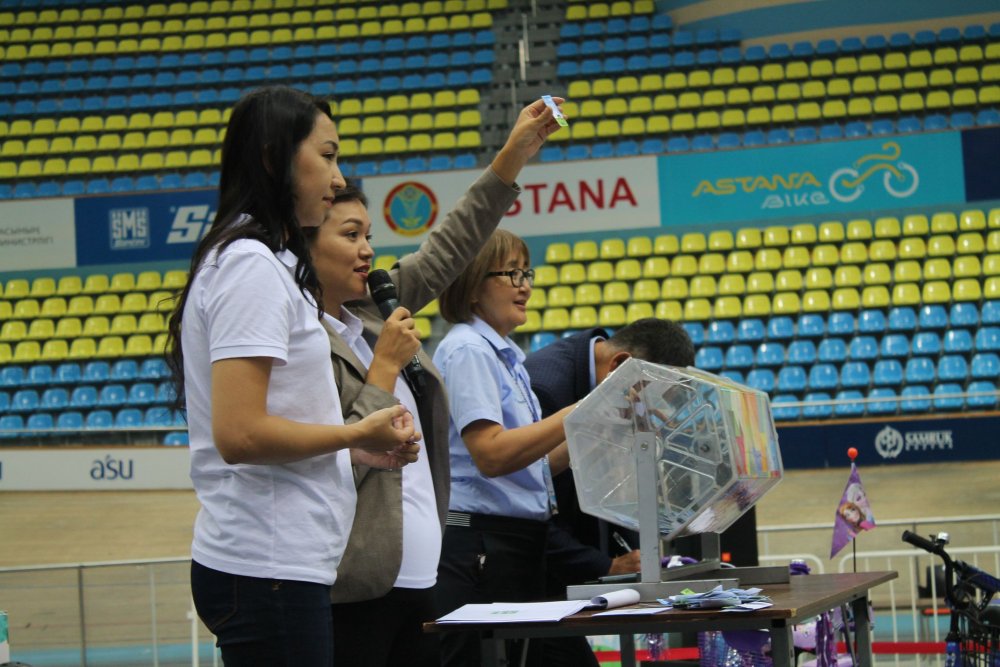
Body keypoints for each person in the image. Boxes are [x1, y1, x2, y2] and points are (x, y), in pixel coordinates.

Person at [301, 98, 563, 667]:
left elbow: (453, 244)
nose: (368, 252)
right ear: (304, 246)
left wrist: (513, 156)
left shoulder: (374, 311)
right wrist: (385, 367)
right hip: (358, 583)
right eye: (351, 235)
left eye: (369, 235)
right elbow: (337, 455)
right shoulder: (300, 337)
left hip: (422, 575)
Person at [165, 85, 419, 666]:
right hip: (267, 565)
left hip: (280, 566)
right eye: (327, 156)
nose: (338, 178)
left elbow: (279, 420)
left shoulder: (270, 264)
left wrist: (353, 449)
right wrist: (355, 432)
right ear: (273, 157)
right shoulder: (249, 266)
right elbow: (240, 435)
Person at [433, 229, 575, 667]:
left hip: (514, 544)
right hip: (481, 545)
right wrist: (574, 413)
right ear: (473, 285)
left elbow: (532, 466)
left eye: (526, 273)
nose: (524, 286)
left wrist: (596, 424)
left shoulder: (505, 355)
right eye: (511, 274)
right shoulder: (468, 350)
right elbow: (492, 455)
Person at [523, 318, 696, 667]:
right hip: (526, 573)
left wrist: (635, 556)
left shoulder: (610, 381)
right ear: (619, 366)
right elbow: (528, 503)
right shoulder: (545, 389)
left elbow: (611, 482)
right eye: (647, 396)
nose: (643, 409)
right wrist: (606, 565)